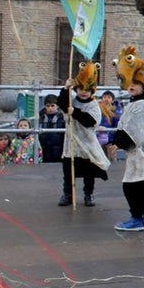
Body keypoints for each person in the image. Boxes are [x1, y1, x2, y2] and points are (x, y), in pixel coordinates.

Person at [107, 77, 144, 232]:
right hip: (137, 153)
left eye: (136, 84)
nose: (132, 86)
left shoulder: (142, 105)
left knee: (133, 185)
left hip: (141, 153)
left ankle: (137, 218)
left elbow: (135, 131)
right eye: (130, 83)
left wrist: (118, 143)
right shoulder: (135, 104)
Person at [58, 73, 111, 207]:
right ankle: (68, 194)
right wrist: (66, 88)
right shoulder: (72, 101)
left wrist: (75, 112)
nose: (83, 92)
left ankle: (89, 193)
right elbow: (62, 103)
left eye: (87, 90)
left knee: (89, 172)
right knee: (69, 171)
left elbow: (91, 121)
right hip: (71, 142)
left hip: (87, 142)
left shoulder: (93, 105)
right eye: (81, 89)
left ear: (92, 91)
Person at [38, 98, 66, 164]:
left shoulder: (62, 118)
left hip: (58, 150)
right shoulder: (40, 118)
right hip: (43, 149)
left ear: (57, 106)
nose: (50, 108)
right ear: (45, 106)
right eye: (48, 106)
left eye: (52, 106)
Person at [97, 90, 120, 154]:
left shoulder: (116, 111)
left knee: (111, 157)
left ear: (112, 100)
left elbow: (117, 125)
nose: (106, 99)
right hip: (97, 137)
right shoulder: (97, 110)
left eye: (109, 97)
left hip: (110, 139)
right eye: (104, 97)